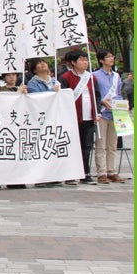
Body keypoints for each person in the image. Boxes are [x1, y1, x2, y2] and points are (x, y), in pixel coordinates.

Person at [59, 49, 99, 186]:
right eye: (81, 60)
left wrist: (97, 112)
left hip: (89, 117)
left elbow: (97, 95)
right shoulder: (66, 77)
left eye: (86, 60)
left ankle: (85, 173)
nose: (85, 62)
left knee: (87, 146)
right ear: (73, 62)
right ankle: (70, 174)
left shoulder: (91, 77)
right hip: (73, 118)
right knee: (73, 146)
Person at [26, 58, 62, 189]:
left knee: (52, 146)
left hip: (54, 118)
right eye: (38, 64)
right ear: (34, 70)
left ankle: (52, 176)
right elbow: (37, 98)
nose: (42, 64)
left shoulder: (55, 81)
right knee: (40, 147)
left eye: (43, 62)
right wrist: (53, 92)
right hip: (40, 119)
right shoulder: (33, 83)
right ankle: (39, 177)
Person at [93, 50, 127, 184]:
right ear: (101, 60)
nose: (111, 58)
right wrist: (102, 102)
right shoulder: (94, 76)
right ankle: (102, 173)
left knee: (112, 144)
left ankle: (111, 171)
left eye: (112, 56)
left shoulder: (116, 76)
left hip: (115, 113)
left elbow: (118, 93)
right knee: (101, 144)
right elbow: (94, 94)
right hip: (102, 114)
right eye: (108, 57)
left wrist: (122, 105)